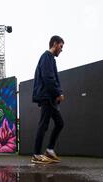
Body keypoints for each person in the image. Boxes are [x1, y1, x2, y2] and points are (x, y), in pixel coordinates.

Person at [31, 36, 65, 164]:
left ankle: (50, 151)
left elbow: (52, 78)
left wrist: (57, 93)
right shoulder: (46, 57)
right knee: (43, 124)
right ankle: (36, 154)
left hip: (50, 97)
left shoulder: (51, 59)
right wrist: (58, 93)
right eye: (61, 46)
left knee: (60, 123)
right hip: (47, 96)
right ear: (55, 44)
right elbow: (48, 77)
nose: (61, 50)